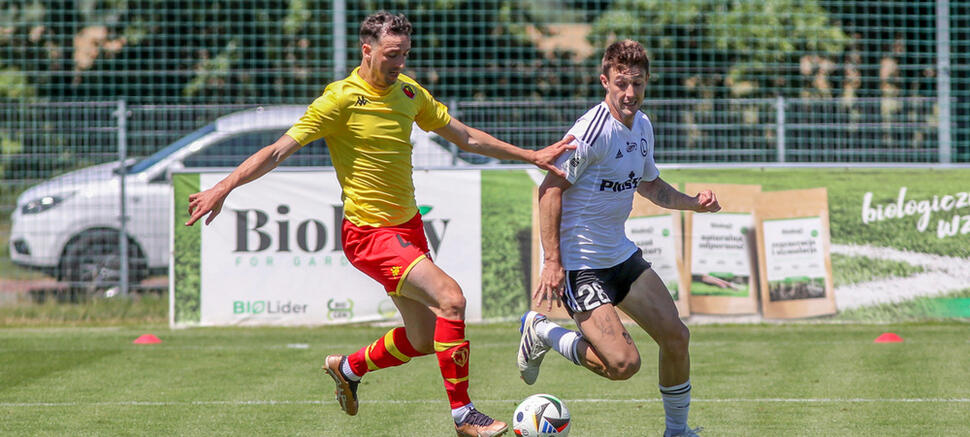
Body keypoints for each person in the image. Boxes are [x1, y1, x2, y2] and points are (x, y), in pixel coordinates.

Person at [185, 11, 574, 437]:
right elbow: (277, 150)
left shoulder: (409, 93)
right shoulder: (340, 99)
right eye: (392, 54)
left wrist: (532, 156)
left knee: (424, 339)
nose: (400, 63)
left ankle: (348, 369)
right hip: (368, 235)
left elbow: (466, 137)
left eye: (405, 54)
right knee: (452, 299)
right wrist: (223, 187)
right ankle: (465, 416)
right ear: (366, 49)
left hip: (407, 229)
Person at [517, 40, 720, 437]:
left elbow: (650, 185)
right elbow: (549, 191)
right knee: (624, 364)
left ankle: (677, 432)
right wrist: (552, 262)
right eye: (622, 84)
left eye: (638, 84)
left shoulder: (642, 126)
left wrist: (693, 203)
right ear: (605, 82)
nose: (630, 94)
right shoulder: (592, 131)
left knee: (676, 336)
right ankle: (542, 331)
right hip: (581, 266)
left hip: (620, 257)